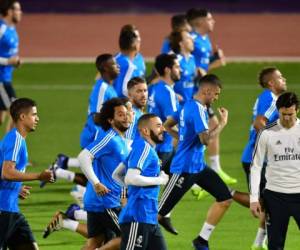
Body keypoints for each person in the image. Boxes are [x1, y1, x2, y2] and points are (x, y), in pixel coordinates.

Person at [158, 74, 232, 250]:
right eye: (216, 94)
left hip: (198, 167)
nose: (216, 98)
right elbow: (206, 140)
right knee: (156, 214)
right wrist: (222, 123)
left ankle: (201, 240)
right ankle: (125, 239)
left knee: (225, 199)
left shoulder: (187, 106)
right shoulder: (198, 109)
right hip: (183, 169)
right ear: (207, 90)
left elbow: (167, 125)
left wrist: (182, 139)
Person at [40, 53, 120, 188]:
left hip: (101, 137)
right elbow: (96, 117)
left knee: (100, 180)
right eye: (114, 64)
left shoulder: (109, 87)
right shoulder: (102, 88)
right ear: (105, 68)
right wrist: (116, 123)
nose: (118, 66)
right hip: (95, 136)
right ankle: (61, 174)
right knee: (97, 181)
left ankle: (60, 168)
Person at [185, 8, 236, 193]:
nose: (213, 21)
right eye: (209, 19)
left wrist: (216, 60)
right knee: (189, 135)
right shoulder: (192, 41)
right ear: (199, 22)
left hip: (201, 92)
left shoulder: (205, 40)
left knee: (208, 127)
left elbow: (202, 69)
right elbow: (194, 70)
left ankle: (211, 170)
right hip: (193, 93)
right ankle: (195, 175)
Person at [241, 67, 287, 250]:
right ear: (271, 83)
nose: (284, 79)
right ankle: (227, 194)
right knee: (269, 202)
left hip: (264, 160)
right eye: (280, 77)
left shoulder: (271, 98)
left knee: (270, 202)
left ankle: (259, 242)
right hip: (258, 160)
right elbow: (259, 122)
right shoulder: (269, 98)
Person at [0, 98, 54, 249]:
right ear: (22, 117)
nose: (37, 118)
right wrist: (39, 176)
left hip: (11, 209)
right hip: (3, 210)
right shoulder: (15, 139)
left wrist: (16, 188)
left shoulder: (16, 139)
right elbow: (7, 172)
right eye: (34, 114)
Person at [78, 98, 130, 250]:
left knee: (95, 241)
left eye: (126, 114)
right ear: (111, 120)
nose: (126, 117)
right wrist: (96, 183)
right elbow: (83, 156)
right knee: (128, 237)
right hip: (106, 202)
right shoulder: (109, 138)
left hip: (103, 201)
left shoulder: (120, 140)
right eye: (121, 115)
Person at [250, 92, 300, 250]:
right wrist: (254, 199)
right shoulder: (266, 133)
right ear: (278, 111)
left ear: (297, 110)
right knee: (275, 246)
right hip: (275, 197)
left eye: (290, 114)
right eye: (283, 114)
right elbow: (256, 166)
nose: (286, 118)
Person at [117, 113, 169, 250]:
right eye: (158, 126)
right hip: (138, 217)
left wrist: (132, 191)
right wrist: (160, 180)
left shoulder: (143, 148)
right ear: (145, 131)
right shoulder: (144, 148)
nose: (163, 129)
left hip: (149, 217)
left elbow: (117, 175)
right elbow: (129, 178)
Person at [147, 53, 180, 174]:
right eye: (176, 67)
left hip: (159, 147)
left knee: (179, 178)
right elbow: (171, 123)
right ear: (167, 70)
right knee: (147, 186)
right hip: (162, 149)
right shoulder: (168, 92)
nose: (180, 70)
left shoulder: (155, 88)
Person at [0, 0, 22, 132]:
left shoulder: (12, 29)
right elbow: (8, 59)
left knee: (1, 119)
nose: (21, 12)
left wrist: (15, 62)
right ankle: (9, 148)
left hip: (6, 77)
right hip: (1, 80)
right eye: (18, 10)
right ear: (9, 12)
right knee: (17, 111)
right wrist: (9, 62)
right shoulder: (1, 29)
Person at [113, 24, 146, 97]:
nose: (140, 40)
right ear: (133, 43)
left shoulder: (139, 59)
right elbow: (120, 94)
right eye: (138, 38)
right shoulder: (116, 63)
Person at [168, 30, 197, 102]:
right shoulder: (175, 60)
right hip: (177, 107)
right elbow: (162, 82)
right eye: (188, 38)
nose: (192, 40)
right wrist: (174, 95)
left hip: (189, 105)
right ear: (181, 43)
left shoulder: (192, 59)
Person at [125, 76, 148, 142]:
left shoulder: (138, 111)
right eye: (139, 91)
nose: (143, 95)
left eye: (145, 90)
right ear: (129, 94)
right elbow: (127, 142)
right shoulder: (131, 114)